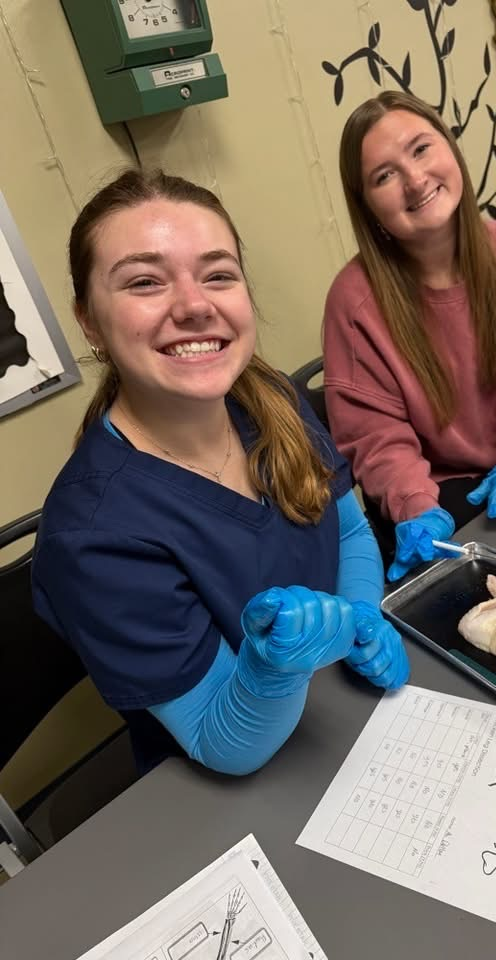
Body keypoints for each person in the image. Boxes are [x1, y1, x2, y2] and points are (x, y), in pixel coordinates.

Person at [32, 169, 409, 777]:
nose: (194, 306)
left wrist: (362, 616)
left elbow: (347, 531)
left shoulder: (269, 400)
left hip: (338, 716)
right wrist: (273, 671)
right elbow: (223, 743)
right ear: (90, 321)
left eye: (218, 275)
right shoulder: (93, 533)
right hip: (236, 776)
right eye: (145, 282)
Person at [322, 91, 496, 581]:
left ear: (451, 149)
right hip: (434, 491)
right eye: (384, 175)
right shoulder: (353, 300)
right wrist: (414, 504)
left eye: (421, 149)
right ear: (366, 205)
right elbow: (375, 436)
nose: (415, 180)